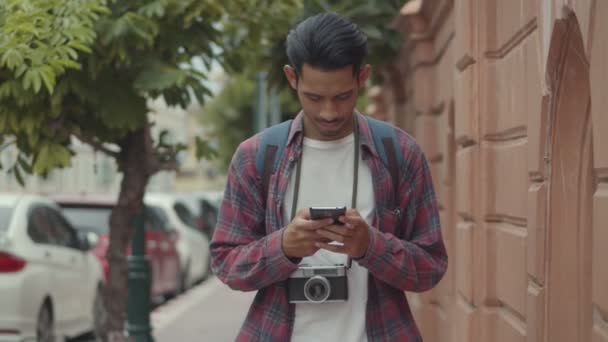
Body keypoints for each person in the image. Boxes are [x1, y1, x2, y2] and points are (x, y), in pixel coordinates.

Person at [211, 12, 448, 342]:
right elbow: (226, 264)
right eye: (314, 97)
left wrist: (370, 246)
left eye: (342, 96)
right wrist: (284, 247)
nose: (329, 112)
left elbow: (431, 267)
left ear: (362, 77)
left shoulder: (400, 153)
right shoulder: (257, 157)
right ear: (292, 78)